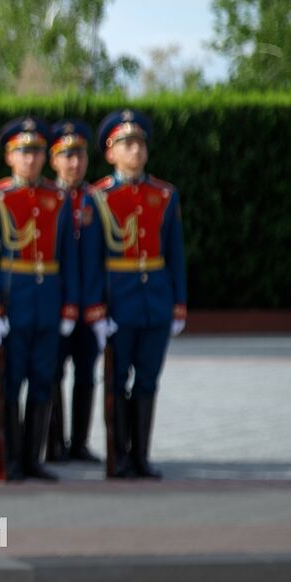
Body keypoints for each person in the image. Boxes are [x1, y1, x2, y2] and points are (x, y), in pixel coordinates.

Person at [81, 110, 186, 479]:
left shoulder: (164, 194)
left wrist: (178, 302)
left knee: (147, 380)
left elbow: (174, 253)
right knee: (116, 379)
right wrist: (95, 308)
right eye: (126, 144)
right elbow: (91, 261)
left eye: (139, 143)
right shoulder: (98, 198)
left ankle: (141, 454)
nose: (136, 150)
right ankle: (119, 453)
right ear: (110, 153)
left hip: (154, 299)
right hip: (118, 301)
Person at [0, 117, 79, 482]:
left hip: (48, 303)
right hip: (13, 304)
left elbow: (68, 257)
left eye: (36, 151)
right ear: (9, 156)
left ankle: (33, 457)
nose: (31, 159)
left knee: (42, 380)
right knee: (9, 383)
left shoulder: (57, 198)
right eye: (24, 151)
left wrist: (69, 305)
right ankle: (11, 459)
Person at [49, 119, 101, 463]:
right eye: (67, 156)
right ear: (53, 160)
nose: (75, 163)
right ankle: (53, 442)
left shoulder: (97, 200)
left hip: (90, 304)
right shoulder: (47, 198)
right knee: (51, 373)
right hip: (53, 304)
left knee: (86, 373)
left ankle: (79, 441)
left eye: (80, 155)